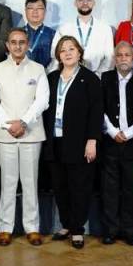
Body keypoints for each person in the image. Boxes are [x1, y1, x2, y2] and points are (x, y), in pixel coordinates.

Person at [43, 36, 102, 249]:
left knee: (79, 187)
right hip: (54, 141)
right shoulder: (51, 78)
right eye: (63, 50)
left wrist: (92, 140)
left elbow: (96, 112)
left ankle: (77, 229)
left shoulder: (90, 79)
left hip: (79, 142)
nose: (67, 53)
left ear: (79, 53)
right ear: (58, 56)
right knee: (60, 187)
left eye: (71, 49)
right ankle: (67, 224)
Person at [0, 27, 49, 246]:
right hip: (6, 133)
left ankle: (32, 227)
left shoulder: (38, 69)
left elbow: (42, 100)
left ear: (28, 45)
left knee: (30, 182)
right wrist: (9, 125)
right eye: (13, 42)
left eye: (22, 42)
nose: (17, 46)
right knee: (7, 182)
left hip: (31, 133)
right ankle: (5, 227)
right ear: (7, 45)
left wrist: (24, 122)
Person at [100, 41, 133, 246]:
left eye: (127, 55)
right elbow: (99, 109)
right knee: (109, 189)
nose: (123, 58)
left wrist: (129, 133)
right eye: (119, 55)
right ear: (115, 58)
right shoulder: (105, 79)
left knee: (132, 188)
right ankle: (110, 230)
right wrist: (112, 132)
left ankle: (130, 230)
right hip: (110, 142)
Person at [51, 0, 115, 75]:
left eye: (89, 0)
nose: (85, 3)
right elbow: (56, 55)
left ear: (94, 3)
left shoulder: (105, 28)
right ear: (75, 3)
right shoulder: (64, 28)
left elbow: (109, 58)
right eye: (81, 0)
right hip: (69, 76)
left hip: (97, 77)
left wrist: (98, 76)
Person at [22, 0, 56, 68]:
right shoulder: (16, 34)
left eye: (39, 8)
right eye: (31, 8)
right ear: (25, 11)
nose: (35, 11)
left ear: (45, 11)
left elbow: (56, 60)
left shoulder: (53, 34)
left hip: (46, 73)